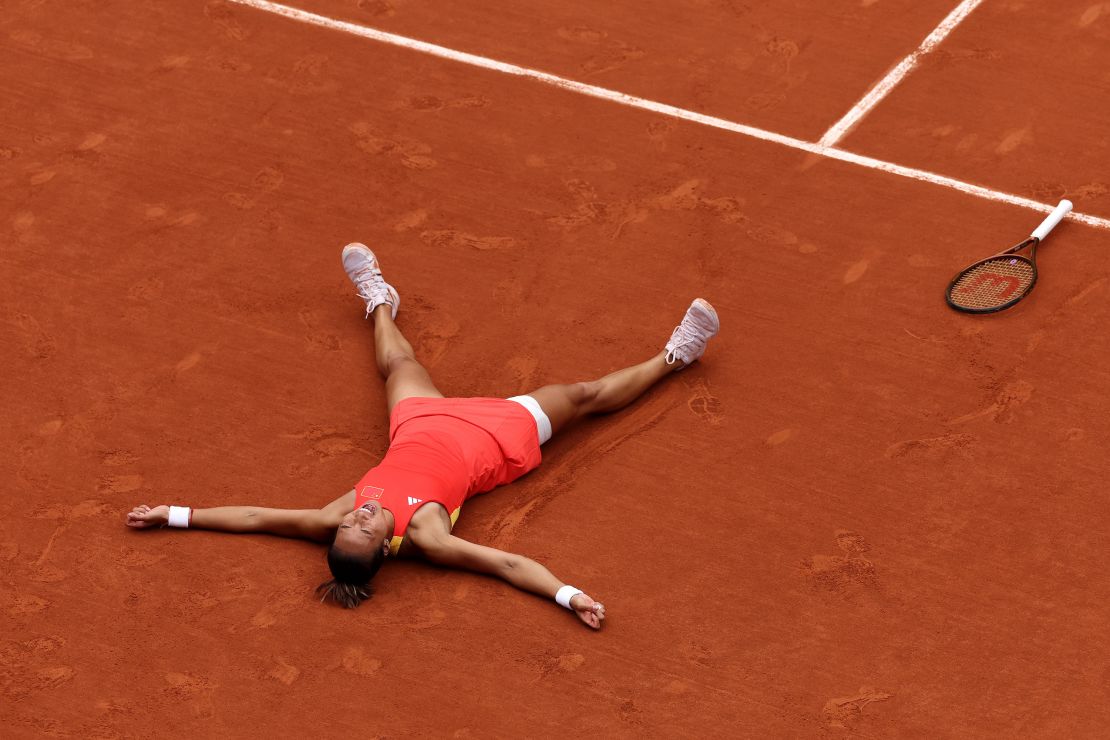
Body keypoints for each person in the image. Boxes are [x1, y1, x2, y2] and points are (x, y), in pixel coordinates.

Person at [126, 244, 719, 628]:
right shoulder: (430, 537)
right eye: (366, 529)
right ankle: (676, 356)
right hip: (496, 436)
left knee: (398, 367)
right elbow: (508, 565)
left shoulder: (338, 515)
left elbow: (255, 517)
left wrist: (174, 513)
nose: (360, 518)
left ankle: (380, 301)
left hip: (421, 421)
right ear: (388, 546)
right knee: (582, 396)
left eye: (350, 525)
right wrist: (569, 596)